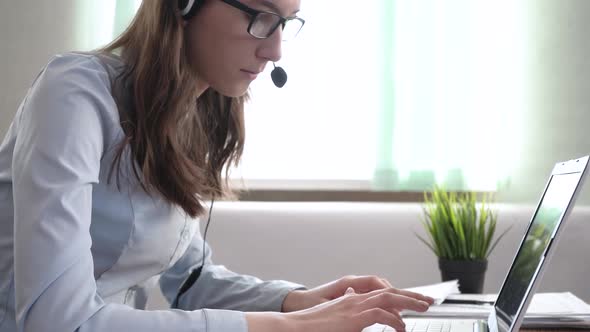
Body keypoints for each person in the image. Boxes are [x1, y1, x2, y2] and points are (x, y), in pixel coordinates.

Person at [0, 0, 434, 331]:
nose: (275, 50)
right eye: (261, 17)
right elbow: (57, 321)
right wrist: (289, 327)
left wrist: (299, 302)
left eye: (286, 23)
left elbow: (189, 279)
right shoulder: (73, 96)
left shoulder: (196, 112)